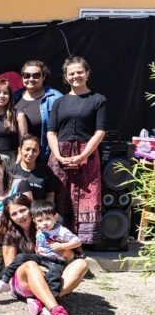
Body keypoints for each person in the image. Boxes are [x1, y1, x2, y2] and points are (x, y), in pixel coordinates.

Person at [0, 195, 86, 315]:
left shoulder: (49, 227)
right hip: (23, 281)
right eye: (14, 214)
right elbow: (11, 266)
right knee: (30, 264)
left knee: (81, 264)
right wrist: (37, 267)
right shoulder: (11, 234)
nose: (20, 216)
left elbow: (71, 256)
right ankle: (56, 311)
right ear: (10, 217)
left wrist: (65, 251)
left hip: (51, 274)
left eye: (23, 210)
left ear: (32, 210)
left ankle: (41, 302)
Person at [47, 56, 107, 244]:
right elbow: (51, 132)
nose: (76, 76)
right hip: (60, 154)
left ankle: (83, 243)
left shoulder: (98, 100)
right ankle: (59, 240)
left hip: (87, 154)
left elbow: (100, 131)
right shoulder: (59, 102)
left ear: (87, 73)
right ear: (66, 77)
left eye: (80, 72)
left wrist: (83, 155)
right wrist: (57, 156)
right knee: (60, 196)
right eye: (71, 73)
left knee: (88, 196)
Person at [14, 60, 62, 161]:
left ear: (43, 77)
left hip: (45, 157)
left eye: (36, 75)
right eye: (26, 75)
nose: (31, 79)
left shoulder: (55, 98)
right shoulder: (14, 97)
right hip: (18, 158)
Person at [9, 135, 60, 201]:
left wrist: (44, 210)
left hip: (39, 209)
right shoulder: (11, 171)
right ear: (20, 150)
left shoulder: (46, 171)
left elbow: (50, 195)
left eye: (34, 150)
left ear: (39, 152)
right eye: (27, 149)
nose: (30, 153)